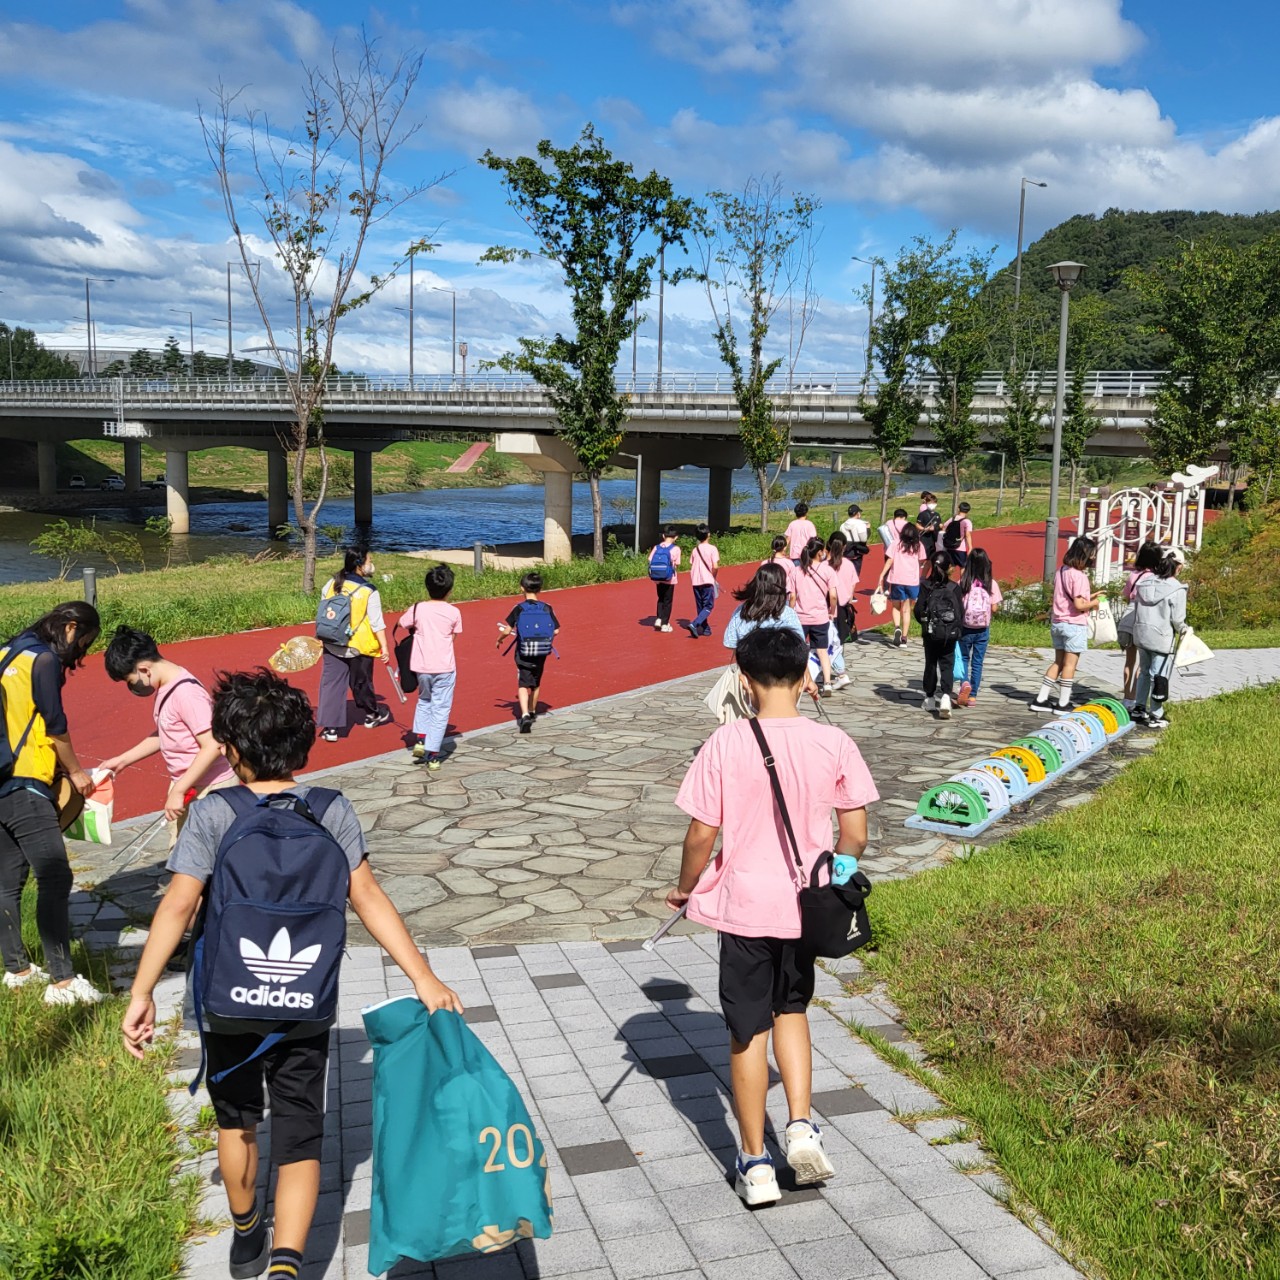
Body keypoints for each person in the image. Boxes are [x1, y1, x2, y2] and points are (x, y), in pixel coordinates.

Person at [121, 668, 463, 1280]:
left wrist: (142, 991)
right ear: (301, 743)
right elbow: (371, 898)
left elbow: (176, 906)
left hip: (229, 996)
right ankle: (287, 1268)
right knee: (302, 1135)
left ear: (229, 748)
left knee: (238, 1120)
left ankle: (247, 1229)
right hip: (305, 1001)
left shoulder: (215, 813)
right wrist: (423, 978)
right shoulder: (331, 809)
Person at [666, 626, 877, 1207]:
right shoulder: (834, 742)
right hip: (806, 909)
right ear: (808, 675)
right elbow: (854, 833)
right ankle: (802, 1126)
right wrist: (832, 874)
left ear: (742, 681)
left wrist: (685, 890)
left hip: (746, 908)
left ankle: (755, 1161)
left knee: (745, 1029)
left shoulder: (726, 742)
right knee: (793, 1008)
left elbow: (701, 833)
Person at [0, 601, 104, 1005]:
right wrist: (77, 774)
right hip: (27, 780)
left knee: (7, 883)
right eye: (84, 642)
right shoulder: (42, 661)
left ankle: (17, 970)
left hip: (1, 780)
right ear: (71, 627)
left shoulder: (8, 651)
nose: (79, 652)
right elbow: (55, 726)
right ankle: (62, 981)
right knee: (55, 877)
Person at [100, 627, 238, 844]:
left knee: (197, 860)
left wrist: (179, 789)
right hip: (189, 783)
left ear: (144, 669)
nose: (132, 687)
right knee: (185, 857)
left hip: (209, 788)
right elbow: (166, 732)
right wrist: (123, 760)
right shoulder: (166, 686)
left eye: (130, 681)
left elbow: (212, 745)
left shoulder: (186, 694)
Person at [317, 548, 392, 743]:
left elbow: (324, 611)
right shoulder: (368, 590)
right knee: (361, 682)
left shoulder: (331, 583)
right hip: (359, 645)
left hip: (332, 641)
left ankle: (331, 729)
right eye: (369, 560)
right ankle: (372, 713)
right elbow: (377, 622)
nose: (371, 564)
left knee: (331, 684)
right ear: (360, 565)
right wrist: (384, 646)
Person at [1031, 535, 1104, 713]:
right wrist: (1095, 603)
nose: (1093, 558)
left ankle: (1041, 699)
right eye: (1092, 554)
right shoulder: (1079, 576)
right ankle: (1063, 703)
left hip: (1058, 623)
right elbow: (1079, 605)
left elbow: (1069, 597)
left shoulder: (1061, 571)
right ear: (1084, 555)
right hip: (1074, 625)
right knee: (1070, 665)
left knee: (1058, 662)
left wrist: (1091, 596)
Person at [399, 564, 462, 770]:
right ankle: (433, 753)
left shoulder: (418, 608)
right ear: (450, 590)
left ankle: (420, 738)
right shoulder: (454, 612)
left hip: (421, 666)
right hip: (444, 666)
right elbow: (453, 635)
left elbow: (402, 623)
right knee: (441, 708)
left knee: (424, 700)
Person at [496, 572, 561, 734]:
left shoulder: (518, 608)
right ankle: (532, 711)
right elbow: (557, 630)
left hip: (523, 651)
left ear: (521, 588)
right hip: (541, 651)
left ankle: (524, 715)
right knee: (536, 682)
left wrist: (500, 639)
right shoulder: (547, 607)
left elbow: (508, 629)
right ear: (541, 588)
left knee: (523, 683)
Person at [1131, 550, 1188, 728]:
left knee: (1144, 671)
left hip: (1141, 633)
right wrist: (1185, 630)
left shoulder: (1143, 583)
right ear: (1178, 567)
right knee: (1159, 675)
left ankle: (1139, 707)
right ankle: (1156, 714)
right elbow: (1177, 620)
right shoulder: (1177, 588)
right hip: (1161, 637)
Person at [914, 552, 964, 718]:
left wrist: (925, 623)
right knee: (947, 664)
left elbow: (918, 610)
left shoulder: (926, 586)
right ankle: (945, 697)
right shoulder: (954, 588)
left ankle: (929, 698)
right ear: (949, 568)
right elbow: (960, 613)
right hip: (949, 633)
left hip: (930, 632)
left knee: (931, 663)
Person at [1118, 539, 1165, 707]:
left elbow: (1126, 596)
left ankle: (1127, 697)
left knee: (1129, 662)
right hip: (1142, 620)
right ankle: (1138, 697)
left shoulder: (1133, 575)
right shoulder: (1154, 578)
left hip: (1126, 620)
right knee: (1143, 663)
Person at [955, 548, 1003, 707]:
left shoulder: (963, 582)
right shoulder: (991, 583)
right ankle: (973, 696)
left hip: (965, 627)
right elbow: (995, 608)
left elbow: (957, 605)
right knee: (977, 661)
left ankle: (964, 684)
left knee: (963, 658)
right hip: (983, 629)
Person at [722, 563, 805, 649]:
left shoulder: (742, 610)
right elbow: (799, 642)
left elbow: (729, 642)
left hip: (749, 660)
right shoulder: (786, 613)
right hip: (779, 660)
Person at [793, 537, 838, 694]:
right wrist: (832, 610)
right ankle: (827, 683)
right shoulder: (827, 570)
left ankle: (798, 681)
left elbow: (792, 596)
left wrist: (791, 612)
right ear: (820, 552)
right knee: (822, 650)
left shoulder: (797, 570)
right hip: (820, 616)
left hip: (800, 617)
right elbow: (833, 595)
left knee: (798, 650)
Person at [876, 521, 927, 647]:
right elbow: (922, 560)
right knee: (907, 610)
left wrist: (882, 575)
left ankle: (897, 627)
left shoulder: (896, 544)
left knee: (895, 606)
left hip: (897, 579)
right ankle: (904, 638)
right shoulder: (918, 545)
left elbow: (890, 560)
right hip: (912, 581)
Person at [826, 532, 861, 660]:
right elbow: (853, 587)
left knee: (826, 640)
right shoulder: (849, 564)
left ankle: (826, 670)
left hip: (826, 608)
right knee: (840, 641)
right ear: (845, 547)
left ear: (829, 544)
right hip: (843, 607)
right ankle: (839, 666)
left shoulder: (824, 565)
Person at [685, 524, 721, 638]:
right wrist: (713, 577)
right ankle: (694, 624)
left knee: (700, 606)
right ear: (708, 534)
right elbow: (715, 566)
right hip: (707, 580)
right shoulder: (712, 549)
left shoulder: (695, 550)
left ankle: (705, 629)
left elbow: (692, 563)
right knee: (708, 606)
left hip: (695, 580)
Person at [647, 526, 682, 633]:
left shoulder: (657, 547)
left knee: (660, 598)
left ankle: (658, 618)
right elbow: (678, 563)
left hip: (657, 577)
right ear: (675, 537)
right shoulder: (676, 549)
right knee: (668, 601)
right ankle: (665, 624)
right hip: (669, 578)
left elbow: (649, 559)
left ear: (663, 536)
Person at [763, 536, 799, 606]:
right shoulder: (789, 563)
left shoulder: (764, 563)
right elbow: (793, 584)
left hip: (767, 596)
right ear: (785, 547)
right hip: (783, 597)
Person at [837, 504, 870, 576]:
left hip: (846, 551)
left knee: (845, 573)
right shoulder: (860, 523)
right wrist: (868, 529)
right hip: (856, 552)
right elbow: (864, 539)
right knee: (855, 574)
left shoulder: (843, 525)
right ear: (857, 513)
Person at [942, 501, 974, 569]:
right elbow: (968, 535)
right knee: (963, 566)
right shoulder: (967, 522)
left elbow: (944, 527)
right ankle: (962, 580)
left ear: (958, 509)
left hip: (949, 545)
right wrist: (970, 547)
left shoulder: (952, 519)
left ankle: (946, 578)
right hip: (960, 546)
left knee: (950, 565)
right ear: (968, 511)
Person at [916, 492, 941, 558]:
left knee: (931, 557)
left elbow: (939, 524)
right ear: (926, 503)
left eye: (934, 503)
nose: (932, 504)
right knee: (923, 556)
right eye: (930, 503)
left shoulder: (937, 514)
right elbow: (917, 525)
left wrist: (939, 527)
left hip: (934, 538)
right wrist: (925, 529)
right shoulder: (923, 514)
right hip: (924, 538)